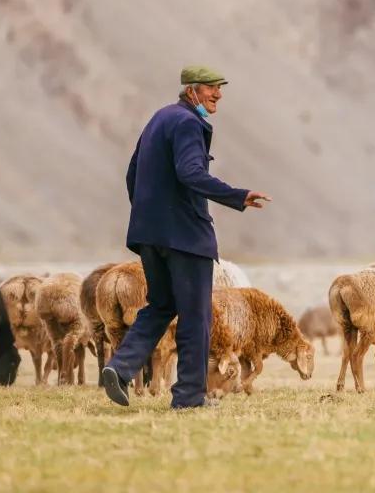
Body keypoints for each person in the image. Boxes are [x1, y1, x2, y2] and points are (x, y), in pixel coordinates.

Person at [100, 65, 270, 409]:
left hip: (150, 235)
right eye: (211, 88)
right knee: (196, 316)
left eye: (220, 88)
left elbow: (133, 172)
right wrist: (237, 195)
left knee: (161, 305)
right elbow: (190, 172)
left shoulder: (159, 119)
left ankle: (119, 367)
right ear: (191, 90)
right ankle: (190, 397)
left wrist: (149, 215)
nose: (218, 94)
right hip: (185, 238)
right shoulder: (189, 123)